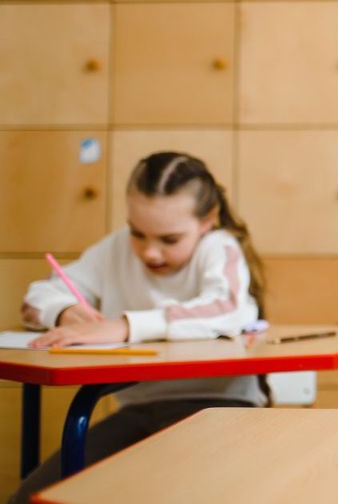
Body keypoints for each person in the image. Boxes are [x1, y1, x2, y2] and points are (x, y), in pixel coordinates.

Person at [11, 152, 267, 504]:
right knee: (34, 497)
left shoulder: (219, 248)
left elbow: (229, 309)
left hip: (222, 407)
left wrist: (125, 326)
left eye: (170, 239)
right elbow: (36, 299)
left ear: (208, 220)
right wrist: (64, 312)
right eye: (138, 233)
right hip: (138, 412)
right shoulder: (116, 249)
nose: (150, 253)